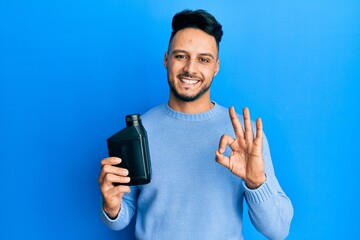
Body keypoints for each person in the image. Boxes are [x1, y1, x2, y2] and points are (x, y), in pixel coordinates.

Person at [98, 9, 293, 240]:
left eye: (203, 59)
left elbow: (278, 230)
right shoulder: (141, 132)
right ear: (166, 59)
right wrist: (111, 207)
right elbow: (121, 216)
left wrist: (256, 182)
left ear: (216, 67)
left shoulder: (243, 135)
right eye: (181, 56)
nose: (190, 68)